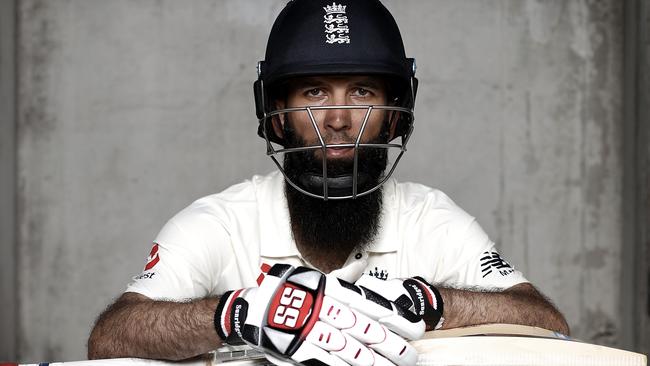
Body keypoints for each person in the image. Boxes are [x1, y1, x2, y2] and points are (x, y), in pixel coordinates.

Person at [87, 0, 569, 364]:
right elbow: (110, 337)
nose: (338, 118)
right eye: (314, 92)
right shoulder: (220, 222)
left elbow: (547, 325)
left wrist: (426, 303)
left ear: (395, 114)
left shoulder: (431, 218)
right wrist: (239, 314)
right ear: (276, 114)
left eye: (362, 91)